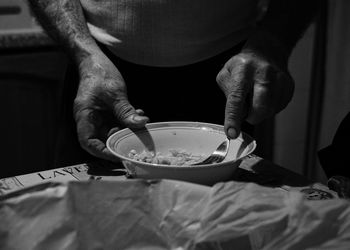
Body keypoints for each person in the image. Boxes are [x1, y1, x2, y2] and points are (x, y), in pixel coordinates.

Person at [27, 0, 322, 167]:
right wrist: (84, 54)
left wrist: (273, 43)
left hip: (225, 77)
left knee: (219, 225)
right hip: (98, 70)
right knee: (90, 218)